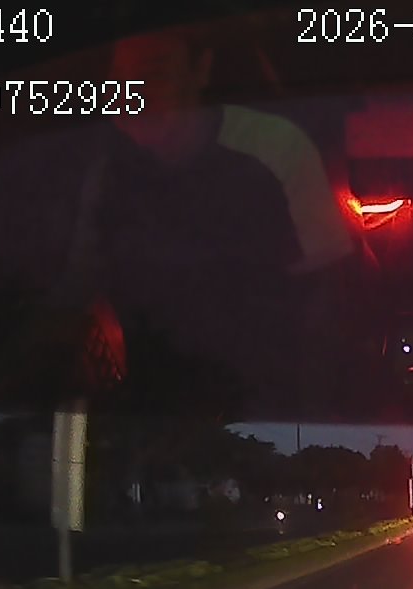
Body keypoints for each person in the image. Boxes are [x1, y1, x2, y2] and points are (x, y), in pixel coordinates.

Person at [99, 28, 380, 412]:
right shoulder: (104, 169)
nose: (135, 94)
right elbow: (78, 297)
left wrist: (304, 422)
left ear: (201, 71)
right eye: (119, 81)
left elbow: (332, 304)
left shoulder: (277, 147)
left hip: (269, 400)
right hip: (153, 410)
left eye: (155, 74)